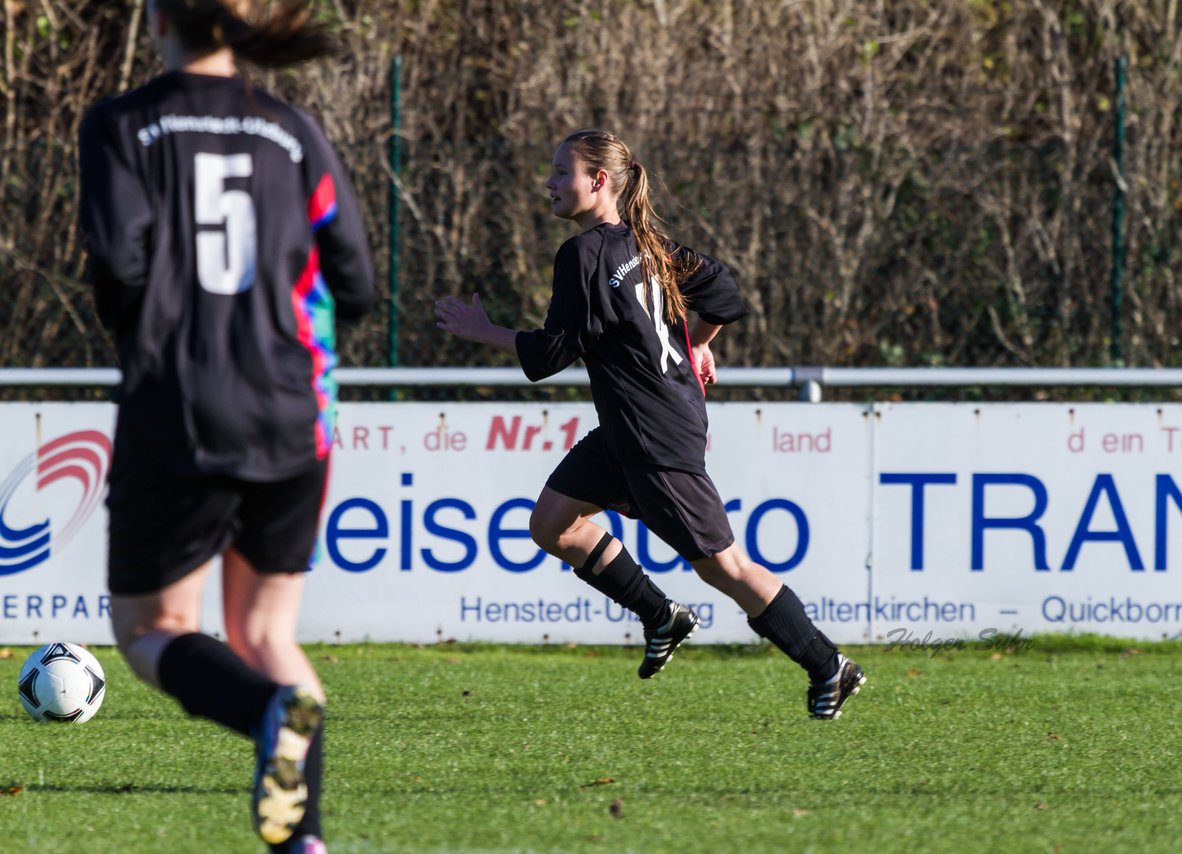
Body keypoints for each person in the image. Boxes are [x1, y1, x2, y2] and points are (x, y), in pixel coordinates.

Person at [434, 128, 866, 719]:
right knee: (553, 524)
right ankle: (660, 614)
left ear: (599, 181)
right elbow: (723, 291)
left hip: (653, 435)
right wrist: (697, 345)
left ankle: (828, 667)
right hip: (638, 427)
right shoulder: (647, 241)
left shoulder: (583, 254)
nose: (550, 183)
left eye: (562, 172)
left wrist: (485, 331)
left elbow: (550, 354)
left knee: (726, 567)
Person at [78, 2, 373, 851]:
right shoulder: (291, 130)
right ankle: (304, 840)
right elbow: (353, 285)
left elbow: (122, 263)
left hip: (180, 406)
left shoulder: (123, 123)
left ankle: (266, 712)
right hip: (293, 411)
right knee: (268, 633)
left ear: (156, 15)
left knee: (151, 629)